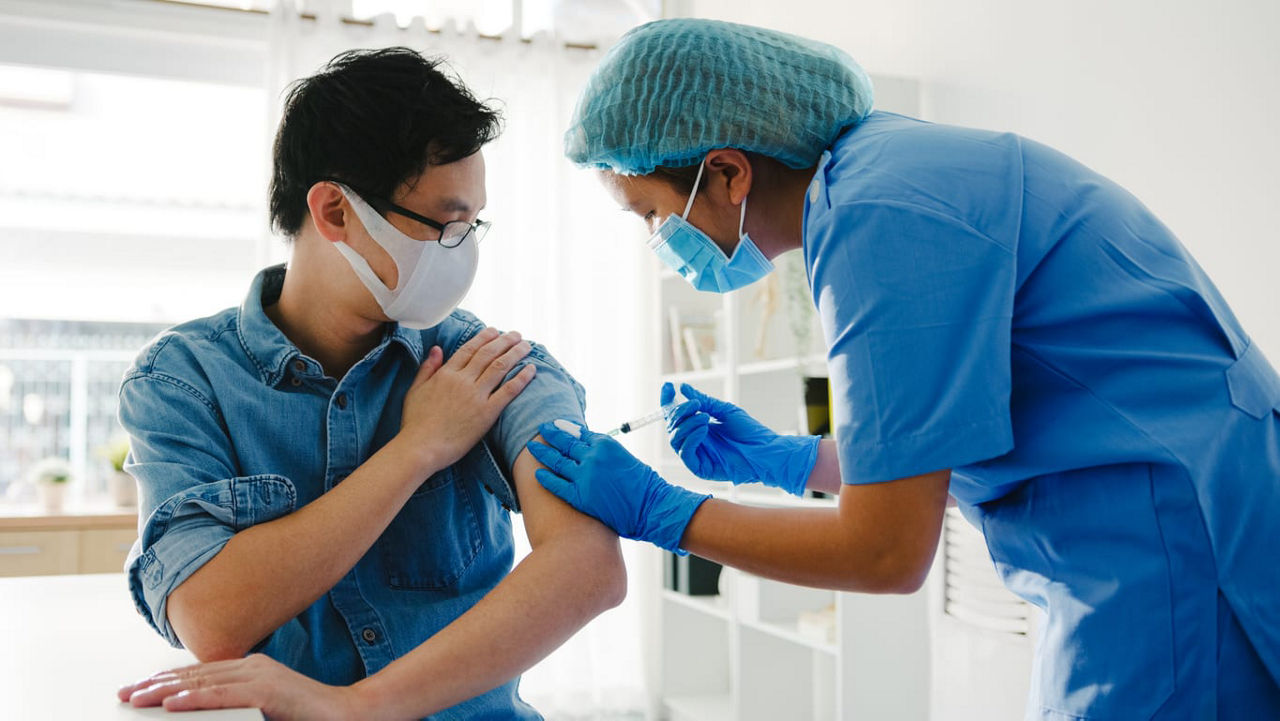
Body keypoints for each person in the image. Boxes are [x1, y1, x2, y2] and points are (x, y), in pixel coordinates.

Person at [527, 18, 1280, 719]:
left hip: (1171, 550)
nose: (656, 239)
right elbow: (932, 454)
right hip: (1159, 523)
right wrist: (793, 460)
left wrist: (663, 511)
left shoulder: (878, 220)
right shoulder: (877, 179)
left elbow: (885, 552)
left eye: (651, 214)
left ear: (727, 173)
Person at [114, 47, 625, 720]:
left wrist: (355, 705)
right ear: (334, 212)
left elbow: (588, 567)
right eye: (444, 223)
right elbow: (210, 616)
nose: (461, 249)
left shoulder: (483, 363)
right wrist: (416, 449)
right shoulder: (184, 381)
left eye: (473, 225)